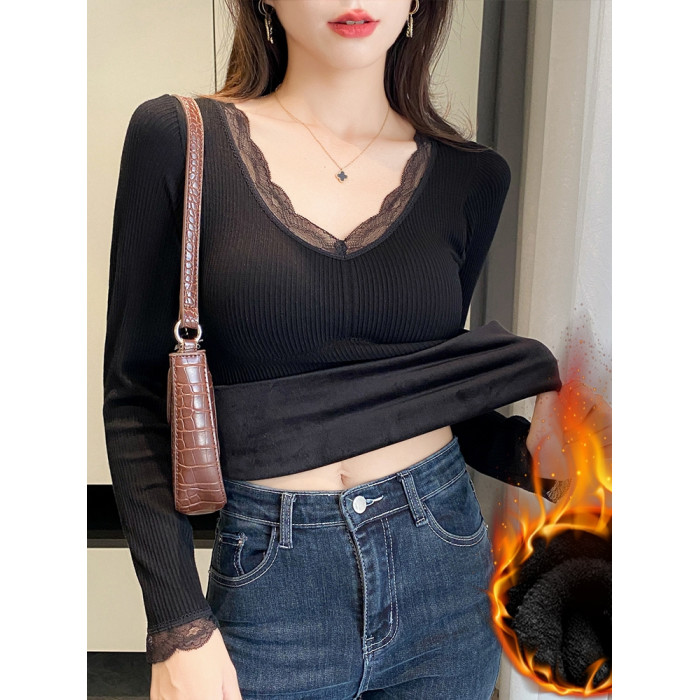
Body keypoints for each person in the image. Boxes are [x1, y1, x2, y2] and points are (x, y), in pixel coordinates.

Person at [102, 1, 611, 698]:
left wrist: (543, 454)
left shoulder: (472, 177)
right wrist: (177, 624)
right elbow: (134, 397)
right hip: (272, 581)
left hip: (444, 569)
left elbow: (418, 392)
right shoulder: (180, 140)